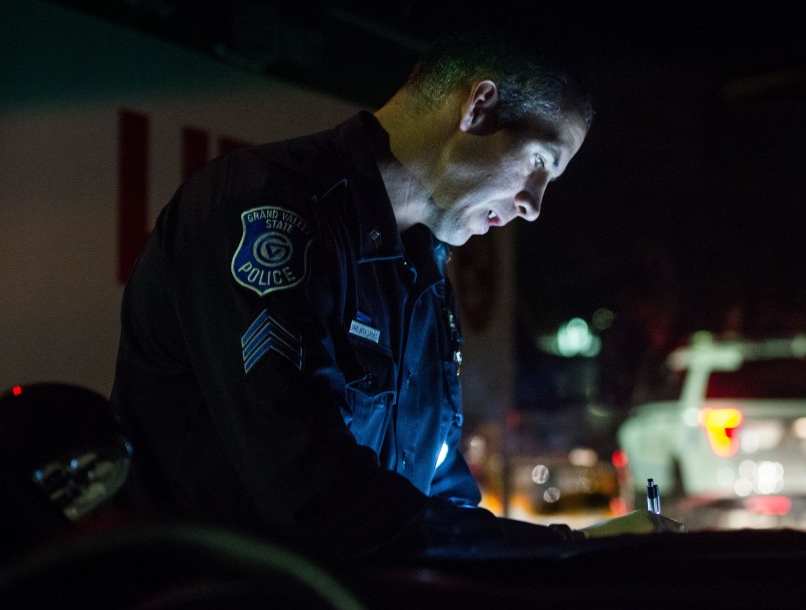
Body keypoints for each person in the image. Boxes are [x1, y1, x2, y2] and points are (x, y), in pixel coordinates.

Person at [111, 31, 679, 561]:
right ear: (478, 107)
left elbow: (439, 492)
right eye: (539, 162)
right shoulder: (266, 210)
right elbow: (315, 494)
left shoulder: (419, 272)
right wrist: (564, 550)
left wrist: (573, 551)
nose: (533, 204)